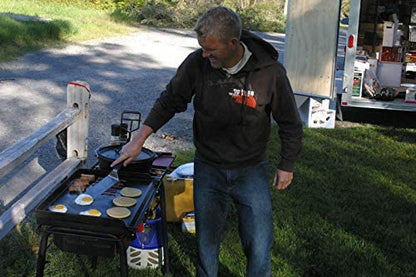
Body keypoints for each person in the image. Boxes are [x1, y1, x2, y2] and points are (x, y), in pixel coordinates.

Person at [111, 6, 303, 277]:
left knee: (258, 242)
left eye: (211, 50)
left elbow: (290, 122)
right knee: (206, 240)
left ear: (233, 43)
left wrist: (287, 164)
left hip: (251, 169)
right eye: (202, 48)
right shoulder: (197, 63)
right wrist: (139, 139)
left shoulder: (270, 73)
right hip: (209, 167)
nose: (204, 55)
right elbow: (170, 100)